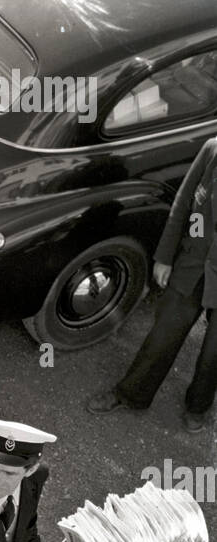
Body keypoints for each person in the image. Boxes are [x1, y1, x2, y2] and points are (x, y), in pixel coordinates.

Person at [86, 135, 217, 433]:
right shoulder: (213, 149)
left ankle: (198, 406)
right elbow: (184, 204)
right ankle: (131, 394)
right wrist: (165, 257)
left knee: (214, 353)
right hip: (192, 266)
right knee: (162, 336)